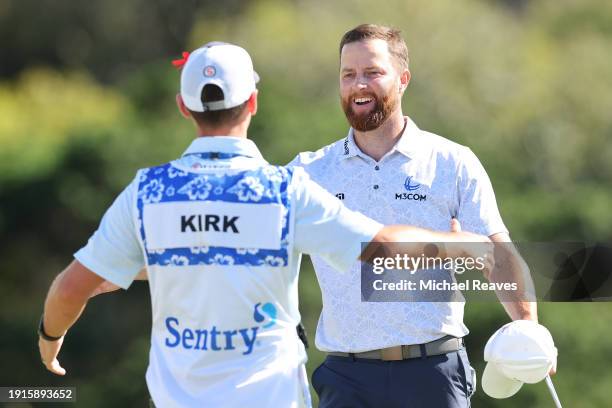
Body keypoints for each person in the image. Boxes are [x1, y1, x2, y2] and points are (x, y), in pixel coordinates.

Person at [38, 41, 494, 407]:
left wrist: (50, 338)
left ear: (183, 106)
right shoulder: (285, 190)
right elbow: (384, 245)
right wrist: (459, 243)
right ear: (253, 102)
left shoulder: (148, 191)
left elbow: (70, 289)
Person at [289, 24, 541, 407]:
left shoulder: (452, 162)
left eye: (373, 73)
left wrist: (528, 330)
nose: (359, 85)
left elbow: (496, 255)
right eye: (348, 75)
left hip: (434, 371)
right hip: (346, 375)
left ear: (403, 79)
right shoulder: (309, 171)